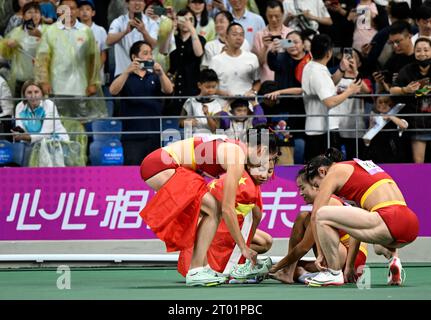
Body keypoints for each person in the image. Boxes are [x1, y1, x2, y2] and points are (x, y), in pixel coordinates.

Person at [139, 130, 277, 286]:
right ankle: (196, 269)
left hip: (160, 165)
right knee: (214, 209)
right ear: (262, 151)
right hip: (161, 166)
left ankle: (201, 268)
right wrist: (243, 247)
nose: (265, 167)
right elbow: (227, 209)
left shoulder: (236, 149)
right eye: (268, 160)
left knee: (208, 211)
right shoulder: (237, 157)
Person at [302, 148, 419, 286]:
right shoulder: (357, 168)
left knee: (322, 214)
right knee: (378, 246)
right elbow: (355, 230)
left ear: (322, 171)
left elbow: (316, 214)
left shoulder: (333, 172)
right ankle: (394, 259)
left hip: (388, 218)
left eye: (316, 185)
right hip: (409, 224)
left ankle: (333, 273)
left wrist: (321, 254)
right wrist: (350, 266)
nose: (318, 189)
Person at [177, 156, 277, 281]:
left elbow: (255, 218)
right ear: (249, 166)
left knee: (265, 241)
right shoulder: (244, 187)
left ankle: (238, 260)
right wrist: (242, 250)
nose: (264, 176)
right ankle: (217, 267)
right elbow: (228, 215)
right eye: (260, 169)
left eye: (269, 171)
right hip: (209, 228)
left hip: (222, 223)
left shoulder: (251, 182)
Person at [270, 167, 367, 284]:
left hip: (350, 262)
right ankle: (290, 272)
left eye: (302, 188)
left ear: (315, 186)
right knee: (302, 217)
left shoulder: (325, 205)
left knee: (295, 266)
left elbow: (303, 248)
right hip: (345, 255)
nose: (300, 193)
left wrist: (276, 267)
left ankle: (295, 272)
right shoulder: (325, 201)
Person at [34, 0, 104, 119]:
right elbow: (42, 60)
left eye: (72, 8)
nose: (69, 12)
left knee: (83, 123)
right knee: (57, 122)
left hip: (81, 87)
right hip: (57, 87)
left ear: (77, 11)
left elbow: (93, 60)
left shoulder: (86, 31)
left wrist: (93, 83)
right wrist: (44, 82)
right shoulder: (50, 31)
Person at [109, 40, 174, 165]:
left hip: (153, 134)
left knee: (153, 173)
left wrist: (161, 73)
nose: (149, 57)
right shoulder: (124, 77)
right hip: (132, 135)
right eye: (145, 53)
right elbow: (113, 91)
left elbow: (168, 90)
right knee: (132, 171)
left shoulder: (155, 77)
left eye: (150, 53)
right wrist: (127, 71)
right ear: (134, 57)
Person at [301, 34, 361, 162]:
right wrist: (349, 91)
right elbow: (329, 101)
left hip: (317, 128)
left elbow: (328, 85)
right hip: (323, 131)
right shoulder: (318, 73)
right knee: (326, 169)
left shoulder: (311, 67)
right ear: (329, 53)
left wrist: (341, 69)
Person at [390, 37, 431, 163]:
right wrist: (405, 90)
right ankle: (421, 183)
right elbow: (392, 90)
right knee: (419, 162)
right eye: (418, 50)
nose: (422, 53)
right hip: (417, 123)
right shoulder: (407, 70)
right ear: (414, 52)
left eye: (426, 50)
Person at [0, 2, 47, 97]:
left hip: (42, 79)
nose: (33, 15)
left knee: (43, 107)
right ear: (23, 16)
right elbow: (5, 54)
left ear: (41, 15)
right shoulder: (16, 32)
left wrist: (41, 37)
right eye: (29, 12)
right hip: (20, 77)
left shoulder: (49, 31)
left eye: (37, 12)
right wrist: (8, 46)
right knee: (20, 106)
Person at [167, 8, 206, 116]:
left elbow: (198, 53)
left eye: (190, 19)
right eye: (183, 19)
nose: (186, 22)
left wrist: (192, 29)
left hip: (191, 84)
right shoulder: (173, 38)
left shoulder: (199, 39)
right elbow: (164, 50)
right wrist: (172, 28)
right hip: (174, 86)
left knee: (191, 120)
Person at [107, 0, 158, 77]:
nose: (137, 3)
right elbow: (108, 41)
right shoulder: (118, 21)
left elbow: (154, 45)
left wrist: (144, 31)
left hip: (146, 72)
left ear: (144, 4)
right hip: (123, 73)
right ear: (127, 3)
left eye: (140, 0)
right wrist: (125, 32)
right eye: (133, 0)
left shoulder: (151, 23)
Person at [251, 0, 292, 82]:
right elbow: (258, 63)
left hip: (286, 81)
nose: (273, 19)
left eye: (277, 16)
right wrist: (265, 47)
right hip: (266, 82)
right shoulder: (259, 35)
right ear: (266, 15)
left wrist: (283, 43)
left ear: (283, 14)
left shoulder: (291, 33)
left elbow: (296, 56)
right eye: (270, 16)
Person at [363, 96, 409, 163]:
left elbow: (404, 125)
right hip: (377, 155)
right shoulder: (374, 117)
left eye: (386, 102)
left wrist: (390, 116)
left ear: (391, 104)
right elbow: (366, 142)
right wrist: (371, 125)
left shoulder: (396, 116)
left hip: (393, 155)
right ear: (376, 104)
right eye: (380, 102)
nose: (383, 105)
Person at [179, 68, 223, 134]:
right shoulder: (190, 101)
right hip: (192, 139)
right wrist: (187, 123)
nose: (211, 90)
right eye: (208, 87)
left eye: (213, 87)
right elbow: (180, 123)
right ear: (199, 85)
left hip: (210, 139)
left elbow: (215, 129)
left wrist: (207, 115)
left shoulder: (217, 104)